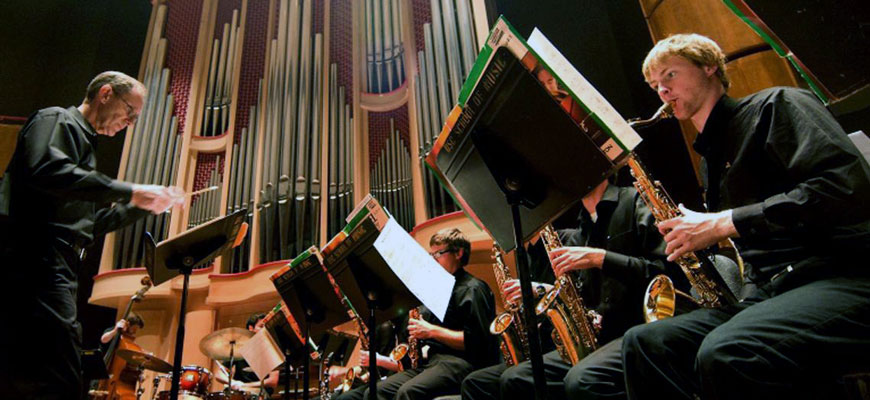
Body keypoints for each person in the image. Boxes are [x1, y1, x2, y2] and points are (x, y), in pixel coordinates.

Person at [621, 33, 870, 400]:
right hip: (771, 291)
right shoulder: (709, 163)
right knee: (646, 343)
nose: (661, 90)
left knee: (728, 350)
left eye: (670, 75)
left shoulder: (778, 104)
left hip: (839, 272)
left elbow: (846, 185)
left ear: (709, 65)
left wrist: (723, 222)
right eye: (655, 85)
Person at [0, 70, 184, 399]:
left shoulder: (85, 145)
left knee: (36, 366)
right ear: (106, 94)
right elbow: (48, 168)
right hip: (35, 254)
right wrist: (130, 191)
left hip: (59, 262)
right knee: (61, 367)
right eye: (130, 112)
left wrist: (145, 206)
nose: (131, 122)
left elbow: (89, 226)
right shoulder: (57, 120)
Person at [486, 178, 686, 400]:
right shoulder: (583, 228)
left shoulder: (634, 200)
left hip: (639, 329)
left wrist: (600, 258)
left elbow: (669, 273)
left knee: (582, 380)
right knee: (516, 379)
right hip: (600, 337)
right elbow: (584, 294)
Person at [366, 228, 498, 400]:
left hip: (463, 362)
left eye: (439, 253)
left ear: (458, 253)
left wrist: (431, 331)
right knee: (376, 392)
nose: (433, 260)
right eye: (431, 255)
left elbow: (478, 342)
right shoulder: (437, 290)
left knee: (409, 392)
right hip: (434, 362)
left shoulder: (473, 288)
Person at [214, 313, 280, 394]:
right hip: (239, 394)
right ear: (250, 328)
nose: (265, 330)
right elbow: (218, 374)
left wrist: (245, 386)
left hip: (260, 394)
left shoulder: (272, 351)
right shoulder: (240, 349)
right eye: (261, 326)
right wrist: (233, 383)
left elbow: (273, 381)